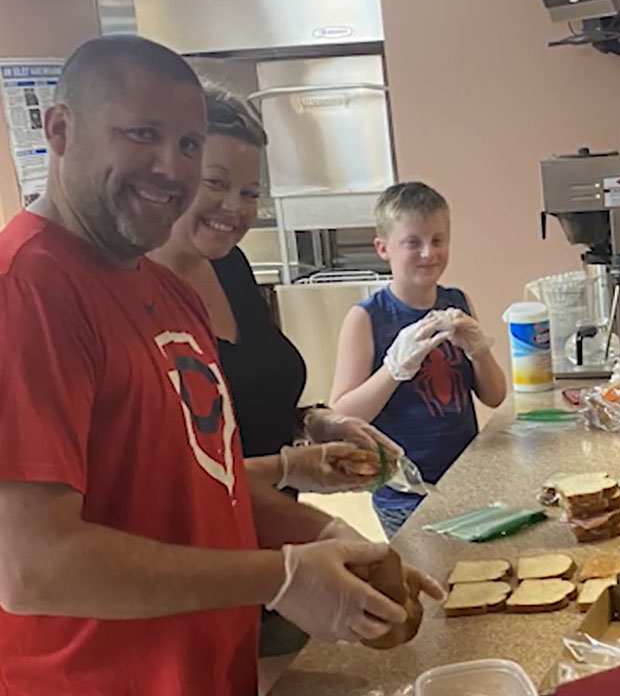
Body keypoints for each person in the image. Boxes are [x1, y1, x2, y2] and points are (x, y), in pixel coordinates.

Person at [0, 35, 442, 696]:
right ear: (59, 129)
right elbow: (33, 568)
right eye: (142, 134)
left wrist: (333, 539)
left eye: (187, 145)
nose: (170, 168)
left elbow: (210, 490)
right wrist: (281, 576)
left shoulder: (168, 289)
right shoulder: (27, 291)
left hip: (207, 671)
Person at [148, 87, 411, 684]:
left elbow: (248, 397)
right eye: (215, 183)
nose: (233, 208)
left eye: (249, 192)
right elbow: (180, 477)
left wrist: (313, 422)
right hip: (213, 569)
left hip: (280, 545)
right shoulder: (140, 299)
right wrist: (292, 471)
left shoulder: (230, 266)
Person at [330, 182, 507, 537]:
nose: (429, 253)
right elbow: (340, 414)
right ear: (383, 248)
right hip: (404, 494)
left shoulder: (455, 301)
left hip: (464, 480)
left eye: (438, 240)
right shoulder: (366, 317)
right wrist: (393, 369)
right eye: (413, 242)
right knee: (428, 585)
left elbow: (494, 396)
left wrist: (478, 349)